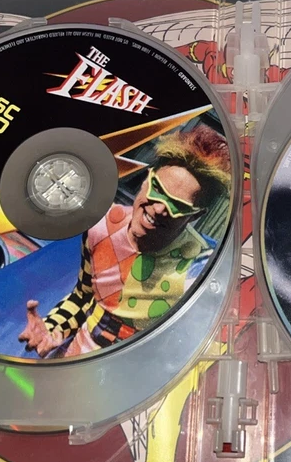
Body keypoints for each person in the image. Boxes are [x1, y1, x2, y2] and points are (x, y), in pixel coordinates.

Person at [19, 124, 231, 358]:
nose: (159, 209)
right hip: (73, 361)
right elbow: (84, 296)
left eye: (177, 206)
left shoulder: (202, 267)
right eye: (158, 190)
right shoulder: (100, 227)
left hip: (135, 373)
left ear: (195, 216)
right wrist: (52, 328)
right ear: (146, 179)